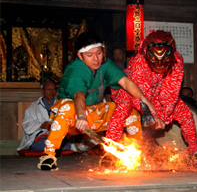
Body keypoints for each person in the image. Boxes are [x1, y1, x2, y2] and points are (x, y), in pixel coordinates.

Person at [37, 32, 157, 171]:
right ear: (80, 55)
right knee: (68, 108)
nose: (96, 59)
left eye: (99, 53)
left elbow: (124, 81)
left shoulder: (105, 65)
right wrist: (81, 116)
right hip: (72, 117)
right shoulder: (75, 70)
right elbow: (79, 95)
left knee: (128, 111)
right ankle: (48, 156)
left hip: (93, 113)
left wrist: (145, 101)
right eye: (90, 55)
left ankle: (135, 153)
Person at [109, 30, 197, 159]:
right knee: (122, 109)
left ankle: (194, 150)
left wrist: (163, 117)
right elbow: (140, 96)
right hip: (130, 90)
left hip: (158, 92)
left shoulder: (177, 61)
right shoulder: (139, 61)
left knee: (186, 114)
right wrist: (154, 116)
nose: (159, 64)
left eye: (164, 60)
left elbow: (171, 92)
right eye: (155, 59)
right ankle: (110, 151)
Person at [17, 80, 74, 153]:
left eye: (54, 89)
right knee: (44, 144)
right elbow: (26, 124)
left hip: (56, 135)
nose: (51, 92)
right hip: (40, 137)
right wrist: (41, 125)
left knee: (63, 144)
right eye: (49, 89)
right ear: (43, 91)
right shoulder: (34, 106)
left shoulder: (61, 106)